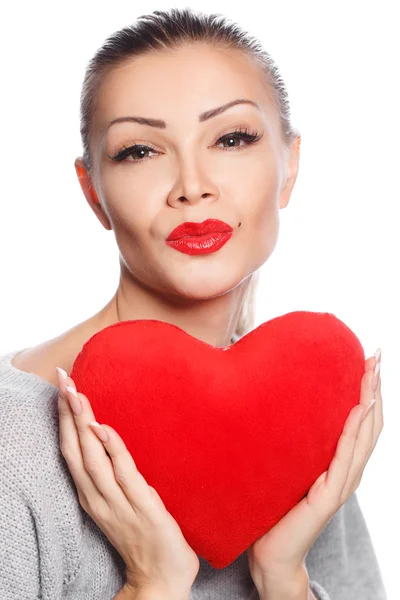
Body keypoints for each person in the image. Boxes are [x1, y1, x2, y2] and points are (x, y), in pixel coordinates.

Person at [0, 7, 387, 600]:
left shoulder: (303, 417)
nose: (192, 185)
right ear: (92, 193)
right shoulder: (13, 441)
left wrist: (284, 577)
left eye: (232, 138)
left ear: (290, 166)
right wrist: (151, 585)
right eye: (139, 151)